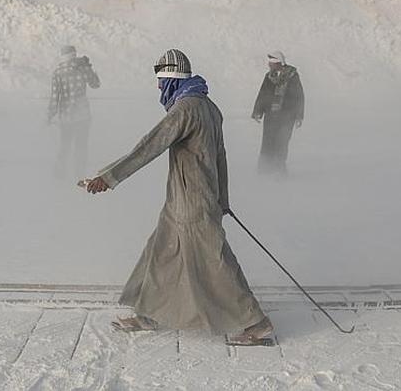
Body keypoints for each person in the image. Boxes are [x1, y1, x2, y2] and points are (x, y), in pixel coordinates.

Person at [83, 48, 273, 345]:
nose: (158, 87)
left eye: (161, 81)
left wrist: (107, 178)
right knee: (161, 252)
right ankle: (149, 314)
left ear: (172, 78)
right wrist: (223, 198)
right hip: (187, 198)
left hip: (193, 201)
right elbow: (221, 157)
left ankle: (256, 323)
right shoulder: (209, 106)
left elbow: (148, 147)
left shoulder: (184, 110)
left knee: (215, 261)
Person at [47, 45, 100, 179]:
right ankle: (79, 175)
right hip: (83, 115)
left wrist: (49, 115)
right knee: (81, 147)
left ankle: (59, 175)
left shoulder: (57, 72)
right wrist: (90, 68)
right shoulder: (83, 69)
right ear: (74, 55)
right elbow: (95, 84)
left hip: (66, 117)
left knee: (64, 146)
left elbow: (55, 97)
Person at [251, 51, 305, 175]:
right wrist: (258, 111)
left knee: (282, 142)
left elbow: (299, 96)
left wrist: (299, 116)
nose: (269, 65)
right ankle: (265, 170)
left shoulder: (292, 76)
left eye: (272, 63)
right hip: (271, 116)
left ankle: (279, 171)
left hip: (287, 117)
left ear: (279, 63)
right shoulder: (269, 76)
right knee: (267, 142)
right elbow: (263, 93)